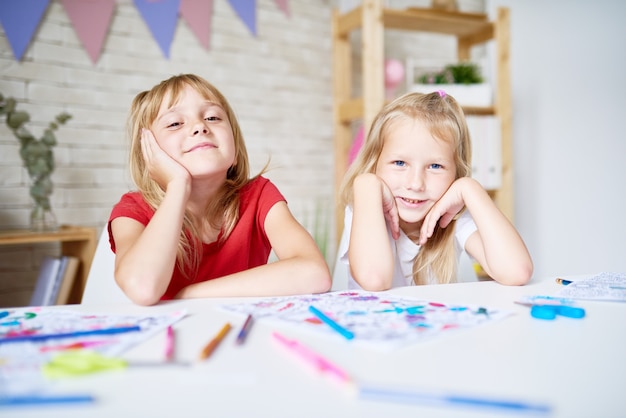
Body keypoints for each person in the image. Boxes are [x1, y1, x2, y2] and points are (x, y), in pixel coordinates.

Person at [108, 74, 331, 305]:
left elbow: (314, 273)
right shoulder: (132, 210)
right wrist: (177, 186)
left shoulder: (259, 195)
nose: (200, 127)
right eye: (175, 123)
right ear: (148, 152)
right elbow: (142, 288)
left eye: (213, 117)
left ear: (234, 146)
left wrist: (191, 294)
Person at [336, 91, 533, 291]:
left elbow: (517, 271)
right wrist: (366, 183)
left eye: (435, 166)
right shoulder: (366, 205)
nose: (416, 184)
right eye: (400, 162)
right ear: (374, 163)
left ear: (455, 173)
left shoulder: (454, 218)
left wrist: (470, 188)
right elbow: (374, 280)